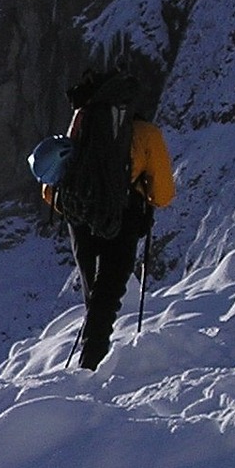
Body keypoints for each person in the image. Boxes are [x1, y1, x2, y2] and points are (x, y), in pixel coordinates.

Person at [54, 65, 175, 369]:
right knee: (108, 291)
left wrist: (76, 206)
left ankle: (90, 356)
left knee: (93, 291)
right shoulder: (146, 133)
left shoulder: (80, 126)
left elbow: (55, 183)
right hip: (123, 215)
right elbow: (163, 194)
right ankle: (92, 363)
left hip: (80, 218)